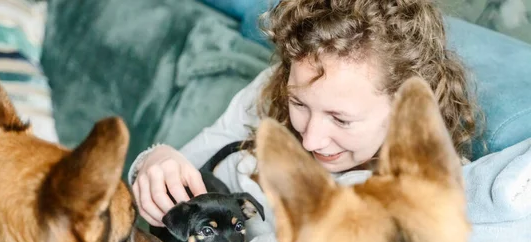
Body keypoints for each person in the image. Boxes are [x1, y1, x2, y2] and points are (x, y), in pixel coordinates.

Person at [129, 0, 481, 228]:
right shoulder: (273, 88)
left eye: (340, 119)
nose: (310, 138)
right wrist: (154, 160)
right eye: (299, 104)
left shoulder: (420, 196)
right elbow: (191, 162)